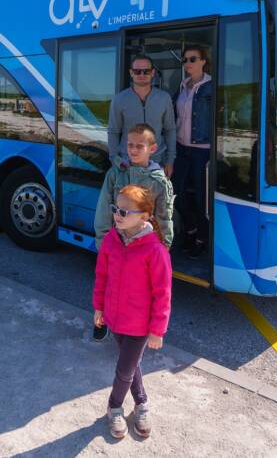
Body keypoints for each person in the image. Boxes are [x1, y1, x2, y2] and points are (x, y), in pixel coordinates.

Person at [93, 185, 172, 440]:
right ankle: (141, 401)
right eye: (116, 209)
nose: (118, 215)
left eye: (125, 211)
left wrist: (157, 330)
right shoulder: (110, 240)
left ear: (145, 216)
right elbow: (101, 276)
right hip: (115, 319)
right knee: (132, 364)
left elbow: (163, 293)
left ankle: (114, 406)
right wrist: (99, 308)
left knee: (124, 369)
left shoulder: (155, 250)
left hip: (139, 325)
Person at [94, 123, 174, 249]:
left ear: (152, 149)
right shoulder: (115, 174)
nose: (133, 150)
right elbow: (103, 211)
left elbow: (164, 219)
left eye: (139, 146)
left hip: (145, 248)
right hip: (116, 244)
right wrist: (103, 244)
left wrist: (164, 249)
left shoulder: (160, 182)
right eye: (130, 145)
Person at [173, 45, 213, 259]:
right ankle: (190, 230)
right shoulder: (182, 85)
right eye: (185, 59)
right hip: (181, 148)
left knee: (200, 198)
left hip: (202, 151)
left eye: (193, 59)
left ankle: (201, 239)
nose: (188, 63)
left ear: (203, 61)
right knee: (177, 194)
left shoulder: (211, 86)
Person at [108, 55, 176, 178]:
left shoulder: (164, 98)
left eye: (146, 71)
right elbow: (113, 131)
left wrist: (170, 161)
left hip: (157, 164)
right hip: (127, 164)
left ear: (153, 73)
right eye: (137, 71)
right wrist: (114, 160)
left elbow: (170, 130)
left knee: (154, 198)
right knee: (129, 197)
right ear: (131, 73)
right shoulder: (119, 99)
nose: (142, 74)